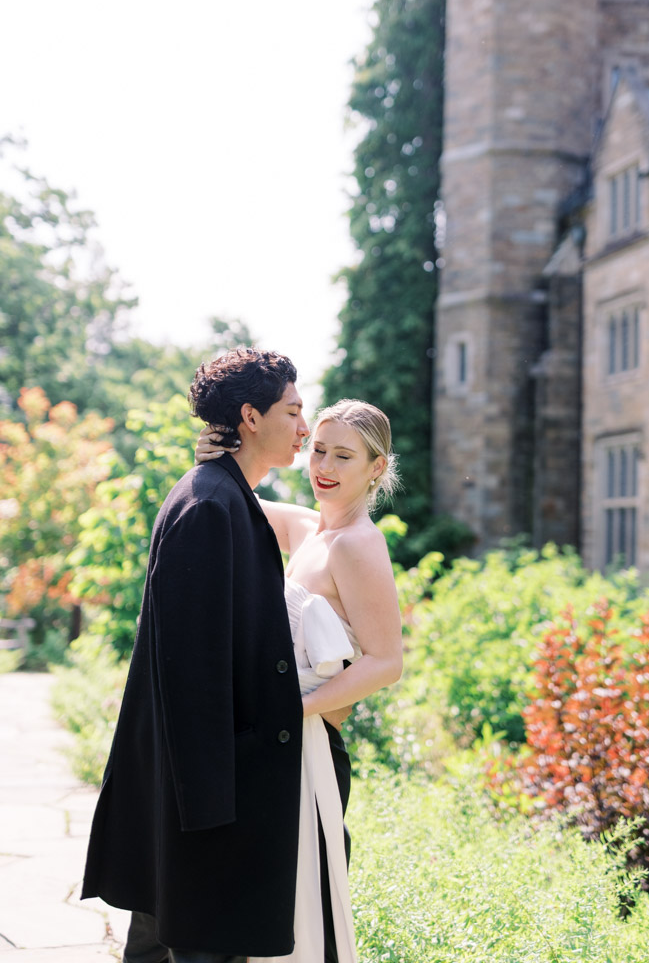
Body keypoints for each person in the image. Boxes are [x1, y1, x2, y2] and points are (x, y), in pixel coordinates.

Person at [81, 348, 311, 963]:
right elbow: (192, 674)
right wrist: (210, 817)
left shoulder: (221, 493)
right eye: (293, 411)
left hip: (197, 790)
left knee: (158, 940)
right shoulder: (210, 504)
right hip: (207, 800)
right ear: (251, 417)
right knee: (193, 944)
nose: (305, 427)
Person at [195, 397, 403, 963]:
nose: (324, 467)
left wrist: (289, 709)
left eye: (343, 456)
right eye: (318, 450)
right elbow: (240, 501)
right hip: (281, 742)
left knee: (306, 914)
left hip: (312, 745)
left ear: (376, 468)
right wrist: (220, 454)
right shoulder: (312, 528)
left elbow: (386, 662)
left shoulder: (357, 544)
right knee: (267, 907)